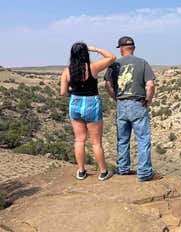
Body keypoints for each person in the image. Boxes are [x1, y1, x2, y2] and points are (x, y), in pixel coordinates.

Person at [60, 42, 116, 181]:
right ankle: (103, 172)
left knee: (80, 140)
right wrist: (96, 49)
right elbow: (112, 57)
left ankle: (81, 171)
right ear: (86, 53)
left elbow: (63, 92)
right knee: (96, 142)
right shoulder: (92, 67)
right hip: (92, 104)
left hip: (75, 103)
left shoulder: (67, 71)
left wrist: (72, 94)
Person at [104, 36, 156, 182]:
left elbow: (107, 85)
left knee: (122, 139)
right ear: (133, 48)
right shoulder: (143, 63)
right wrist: (148, 100)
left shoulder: (114, 64)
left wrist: (116, 98)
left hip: (122, 104)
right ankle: (144, 173)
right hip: (138, 103)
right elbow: (150, 85)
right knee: (143, 139)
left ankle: (123, 169)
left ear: (121, 49)